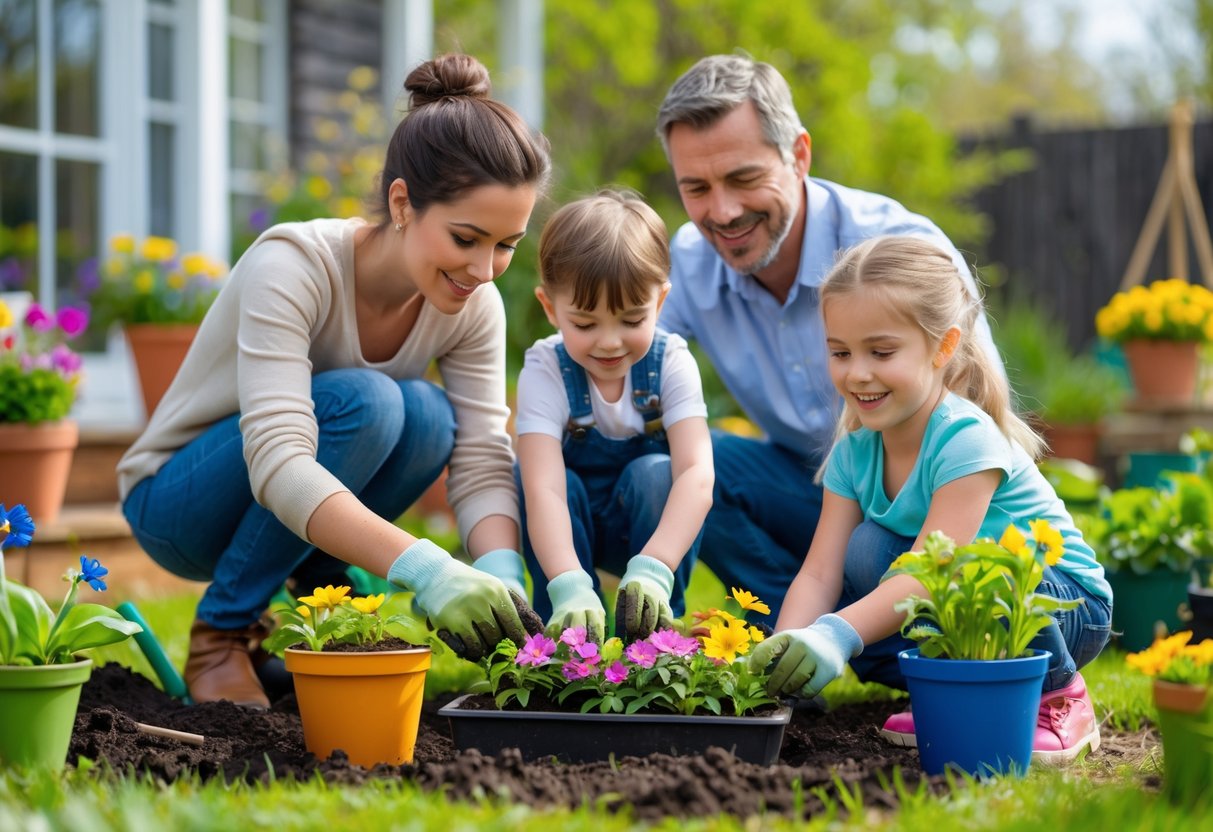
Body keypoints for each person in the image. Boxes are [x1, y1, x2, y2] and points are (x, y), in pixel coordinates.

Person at [117, 53, 550, 708]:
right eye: (465, 238)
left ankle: (313, 604)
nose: (485, 270)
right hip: (181, 501)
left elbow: (483, 460)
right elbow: (278, 463)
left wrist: (498, 582)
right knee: (369, 403)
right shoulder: (293, 264)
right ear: (402, 203)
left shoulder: (472, 306)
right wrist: (429, 570)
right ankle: (221, 633)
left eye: (506, 244)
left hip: (287, 506)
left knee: (431, 417)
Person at [655, 54, 1005, 623]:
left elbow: (978, 416)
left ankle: (868, 636)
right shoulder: (688, 265)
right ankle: (790, 644)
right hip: (812, 488)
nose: (722, 211)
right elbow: (619, 379)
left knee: (871, 549)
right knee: (682, 462)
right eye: (696, 188)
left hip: (921, 503)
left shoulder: (899, 249)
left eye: (743, 178)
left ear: (798, 155)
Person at [746, 235, 1112, 765]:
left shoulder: (964, 437)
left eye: (881, 351)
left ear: (943, 347)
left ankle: (1059, 696)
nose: (857, 373)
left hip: (1063, 605)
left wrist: (837, 635)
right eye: (840, 352)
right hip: (971, 592)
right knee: (867, 548)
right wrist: (789, 646)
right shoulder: (855, 451)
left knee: (965, 568)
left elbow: (929, 569)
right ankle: (960, 688)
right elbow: (821, 572)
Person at [514, 189, 714, 643]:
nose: (609, 342)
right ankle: (566, 635)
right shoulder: (546, 368)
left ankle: (652, 633)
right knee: (536, 476)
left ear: (659, 303)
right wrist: (568, 583)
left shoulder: (670, 361)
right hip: (568, 527)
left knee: (659, 473)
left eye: (630, 320)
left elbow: (697, 476)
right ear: (550, 308)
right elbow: (543, 488)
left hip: (644, 529)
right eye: (585, 324)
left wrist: (655, 566)